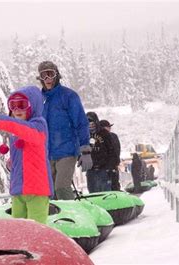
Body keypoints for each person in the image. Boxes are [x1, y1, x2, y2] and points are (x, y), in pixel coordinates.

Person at [0, 86, 53, 224]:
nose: (16, 110)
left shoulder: (38, 125)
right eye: (12, 105)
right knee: (18, 228)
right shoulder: (16, 133)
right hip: (19, 189)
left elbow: (24, 129)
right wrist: (13, 163)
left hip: (37, 190)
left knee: (36, 228)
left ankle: (37, 245)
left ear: (33, 106)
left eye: (21, 104)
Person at [38, 61, 92, 200]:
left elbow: (81, 122)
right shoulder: (39, 99)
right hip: (47, 154)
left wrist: (85, 149)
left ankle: (73, 216)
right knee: (49, 191)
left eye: (51, 74)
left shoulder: (68, 96)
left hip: (67, 150)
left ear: (57, 76)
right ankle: (52, 219)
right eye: (44, 75)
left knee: (61, 187)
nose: (48, 79)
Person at [86, 112, 118, 193]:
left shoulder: (104, 133)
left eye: (92, 122)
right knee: (93, 193)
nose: (91, 125)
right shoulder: (84, 134)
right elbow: (80, 149)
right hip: (90, 169)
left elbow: (112, 150)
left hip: (104, 168)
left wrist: (111, 166)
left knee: (105, 193)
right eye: (88, 122)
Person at [99, 119, 121, 191]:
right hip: (106, 166)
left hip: (111, 165)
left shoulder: (113, 136)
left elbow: (117, 150)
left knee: (113, 184)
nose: (109, 128)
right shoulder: (100, 138)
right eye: (107, 127)